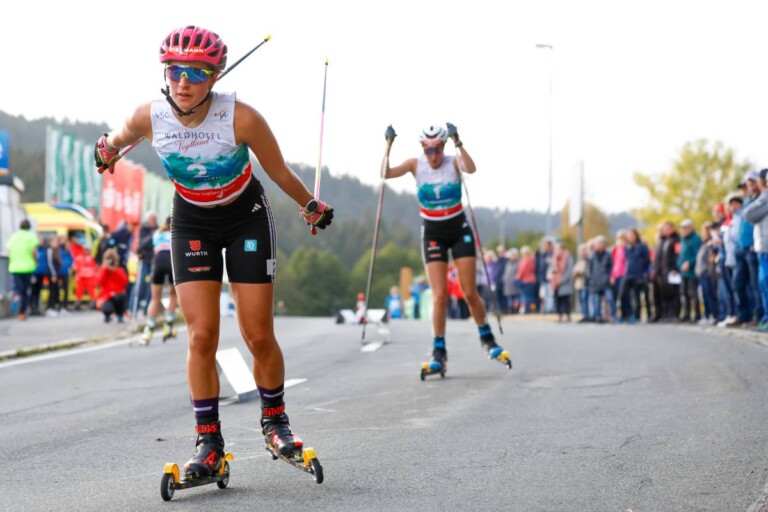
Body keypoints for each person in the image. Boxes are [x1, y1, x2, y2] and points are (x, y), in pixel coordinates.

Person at [93, 26, 334, 480]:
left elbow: (278, 170)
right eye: (174, 70)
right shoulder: (149, 116)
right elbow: (117, 138)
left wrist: (310, 206)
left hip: (245, 216)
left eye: (196, 72)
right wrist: (105, 150)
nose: (183, 82)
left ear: (215, 76)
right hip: (192, 221)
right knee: (201, 336)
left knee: (257, 335)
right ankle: (208, 442)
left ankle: (275, 423)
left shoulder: (242, 118)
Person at [383, 122, 507, 370]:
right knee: (439, 295)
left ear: (443, 146)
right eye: (428, 150)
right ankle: (439, 349)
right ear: (422, 148)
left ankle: (487, 337)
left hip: (458, 229)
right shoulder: (415, 164)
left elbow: (471, 168)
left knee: (469, 292)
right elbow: (385, 174)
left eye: (437, 149)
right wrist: (388, 145)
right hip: (433, 232)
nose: (433, 155)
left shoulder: (453, 162)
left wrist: (458, 142)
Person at [140, 216, 179, 344]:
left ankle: (149, 328)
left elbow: (142, 246)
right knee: (173, 295)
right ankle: (168, 325)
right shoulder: (177, 232)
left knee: (155, 298)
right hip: (172, 262)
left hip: (157, 262)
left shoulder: (157, 233)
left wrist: (142, 254)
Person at [5, 219, 39, 320]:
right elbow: (33, 251)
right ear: (29, 227)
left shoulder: (14, 236)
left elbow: (9, 249)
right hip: (28, 267)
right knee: (25, 291)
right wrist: (36, 261)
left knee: (18, 288)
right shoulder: (31, 236)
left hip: (15, 266)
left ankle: (16, 296)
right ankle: (21, 313)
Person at [134, 211, 158, 316]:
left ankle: (147, 309)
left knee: (151, 287)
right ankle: (135, 308)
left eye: (154, 220)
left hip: (155, 261)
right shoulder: (143, 229)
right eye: (151, 220)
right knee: (141, 285)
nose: (153, 222)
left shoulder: (158, 229)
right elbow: (142, 244)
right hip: (145, 261)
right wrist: (152, 237)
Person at [95, 249, 129, 323]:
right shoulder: (103, 270)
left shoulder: (120, 270)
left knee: (120, 298)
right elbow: (98, 282)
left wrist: (114, 270)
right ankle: (107, 315)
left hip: (118, 295)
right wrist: (105, 269)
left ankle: (120, 314)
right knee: (106, 307)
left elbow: (125, 282)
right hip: (106, 296)